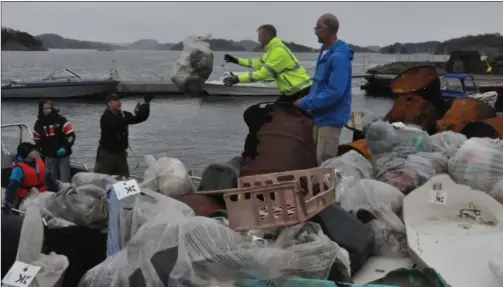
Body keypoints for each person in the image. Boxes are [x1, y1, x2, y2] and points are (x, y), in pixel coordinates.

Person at [294, 13, 353, 165]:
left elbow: (335, 92)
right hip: (318, 116)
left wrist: (307, 102)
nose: (315, 31)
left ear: (327, 29)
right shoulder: (325, 53)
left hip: (330, 119)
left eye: (317, 27)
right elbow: (320, 85)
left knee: (325, 162)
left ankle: (333, 188)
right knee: (316, 160)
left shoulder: (338, 57)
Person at [222, 24, 312, 103]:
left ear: (267, 36)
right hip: (292, 92)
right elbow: (256, 63)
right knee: (275, 116)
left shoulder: (278, 52)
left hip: (301, 91)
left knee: (275, 116)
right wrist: (237, 61)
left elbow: (263, 74)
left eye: (260, 36)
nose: (258, 39)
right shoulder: (272, 50)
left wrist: (237, 79)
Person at [94, 93, 154, 177]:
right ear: (109, 104)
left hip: (121, 154)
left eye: (119, 100)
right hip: (107, 154)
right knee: (101, 178)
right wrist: (125, 119)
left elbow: (139, 118)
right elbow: (114, 124)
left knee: (123, 177)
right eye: (115, 101)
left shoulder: (123, 114)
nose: (119, 102)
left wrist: (146, 104)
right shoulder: (105, 117)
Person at [3, 142, 58, 210]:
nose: (35, 152)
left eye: (34, 150)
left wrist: (55, 191)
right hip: (27, 196)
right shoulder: (18, 169)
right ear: (25, 153)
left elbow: (49, 178)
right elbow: (12, 186)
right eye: (32, 151)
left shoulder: (39, 163)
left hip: (42, 193)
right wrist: (9, 202)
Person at [33, 100, 76, 182]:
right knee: (51, 180)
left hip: (63, 154)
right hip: (49, 156)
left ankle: (64, 193)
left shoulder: (61, 120)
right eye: (45, 108)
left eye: (49, 108)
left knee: (64, 180)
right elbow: (37, 142)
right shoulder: (38, 124)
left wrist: (65, 147)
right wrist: (38, 154)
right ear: (41, 109)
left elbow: (71, 136)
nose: (47, 110)